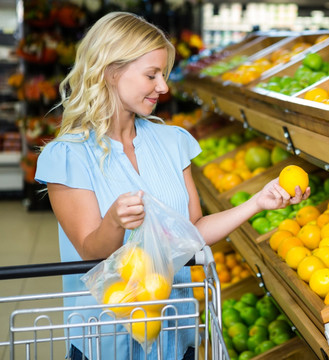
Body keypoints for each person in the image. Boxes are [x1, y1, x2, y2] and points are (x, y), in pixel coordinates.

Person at [35, 11, 309, 360]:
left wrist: (257, 201)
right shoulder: (68, 156)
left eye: (163, 75)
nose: (163, 87)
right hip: (106, 341)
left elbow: (193, 231)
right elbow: (91, 253)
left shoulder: (173, 141)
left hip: (174, 336)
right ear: (110, 71)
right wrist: (114, 222)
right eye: (152, 74)